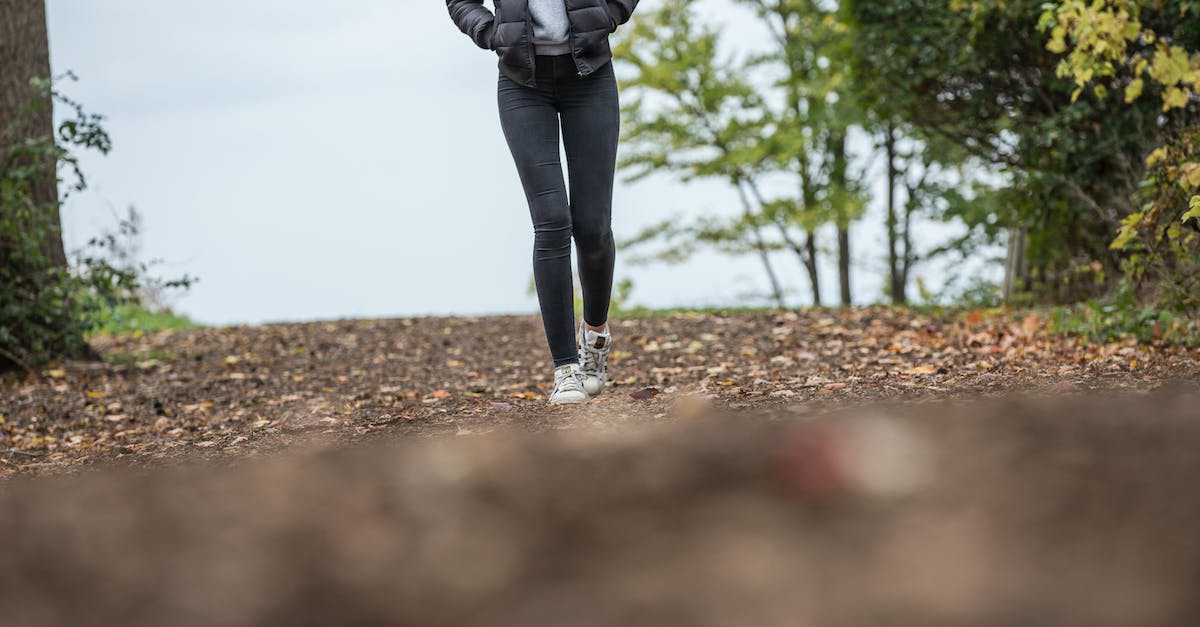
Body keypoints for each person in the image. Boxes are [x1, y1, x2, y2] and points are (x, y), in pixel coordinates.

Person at [446, 0, 639, 404]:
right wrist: (489, 31)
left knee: (592, 228)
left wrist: (609, 14)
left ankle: (596, 335)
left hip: (590, 76)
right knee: (552, 220)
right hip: (522, 83)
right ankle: (565, 369)